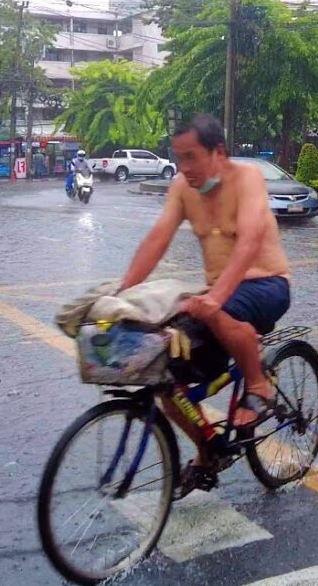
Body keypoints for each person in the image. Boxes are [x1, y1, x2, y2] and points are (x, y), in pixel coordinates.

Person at [117, 113, 291, 485]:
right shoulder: (182, 187)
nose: (184, 167)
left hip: (267, 286)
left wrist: (215, 300)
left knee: (217, 309)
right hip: (219, 295)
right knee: (167, 369)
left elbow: (248, 243)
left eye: (192, 156)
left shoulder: (248, 179)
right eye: (178, 157)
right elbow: (157, 239)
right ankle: (208, 450)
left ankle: (258, 385)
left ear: (218, 152)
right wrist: (120, 294)